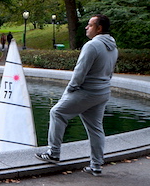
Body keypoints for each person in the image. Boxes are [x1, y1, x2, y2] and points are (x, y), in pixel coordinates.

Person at [36, 14, 119, 176]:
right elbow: (110, 73)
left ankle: (53, 153)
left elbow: (80, 71)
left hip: (87, 92)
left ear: (99, 28)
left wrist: (70, 89)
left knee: (57, 112)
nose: (86, 27)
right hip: (102, 92)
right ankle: (96, 165)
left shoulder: (92, 46)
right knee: (96, 128)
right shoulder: (113, 47)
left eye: (90, 25)